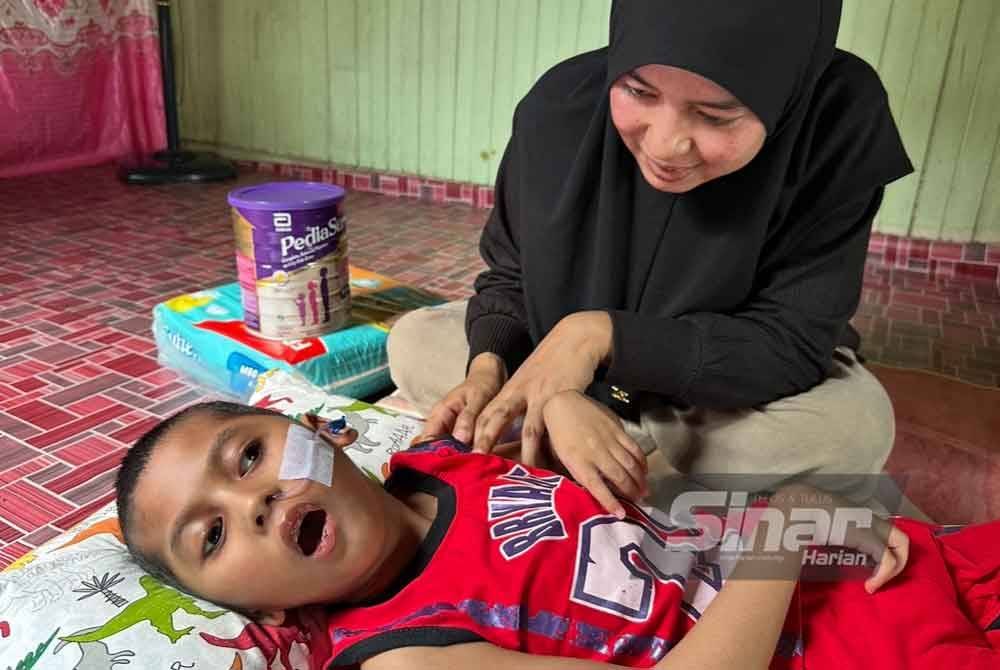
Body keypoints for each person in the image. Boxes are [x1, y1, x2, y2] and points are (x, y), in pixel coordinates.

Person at [388, 0, 913, 510]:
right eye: (639, 91)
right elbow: (510, 274)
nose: (665, 145)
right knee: (414, 342)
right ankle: (603, 446)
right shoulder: (559, 106)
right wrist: (491, 365)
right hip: (565, 361)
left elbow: (790, 340)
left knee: (854, 429)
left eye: (715, 115)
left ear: (785, 95)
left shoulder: (839, 121)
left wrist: (598, 336)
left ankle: (582, 444)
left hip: (720, 383)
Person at [117, 401, 1000, 670]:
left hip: (828, 580)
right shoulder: (404, 658)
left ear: (329, 435)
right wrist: (790, 530)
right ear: (260, 607)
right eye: (211, 537)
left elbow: (645, 513)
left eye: (248, 456)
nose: (256, 504)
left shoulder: (441, 466)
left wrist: (575, 408)